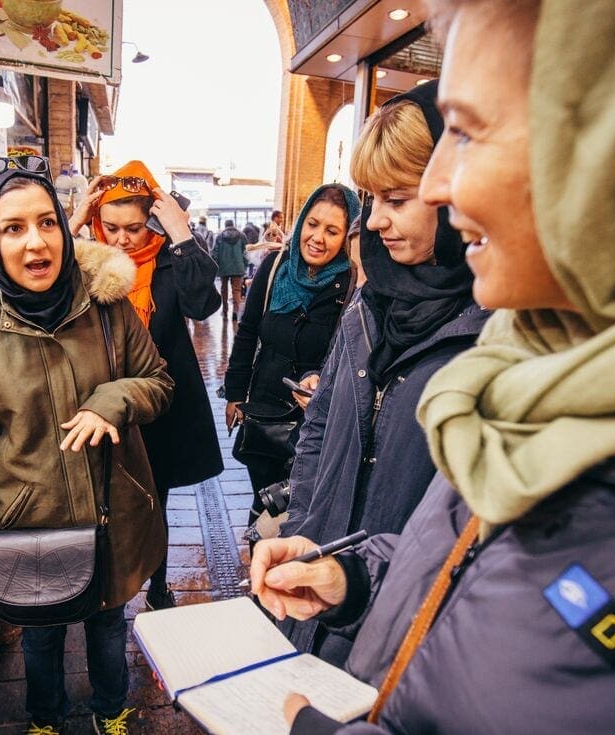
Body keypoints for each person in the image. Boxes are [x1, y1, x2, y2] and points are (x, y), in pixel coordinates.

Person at [252, 0, 615, 732]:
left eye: (470, 132)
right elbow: (465, 562)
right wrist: (353, 573)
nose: (442, 187)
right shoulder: (529, 369)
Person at [0, 165, 174, 735]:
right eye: (13, 228)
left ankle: (111, 710)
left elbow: (159, 383)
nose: (36, 240)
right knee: (41, 636)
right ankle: (44, 718)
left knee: (108, 623)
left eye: (47, 222)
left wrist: (112, 400)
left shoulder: (108, 305)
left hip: (112, 509)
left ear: (66, 232)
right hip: (29, 520)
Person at [278, 81, 487, 667]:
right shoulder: (370, 303)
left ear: (455, 194)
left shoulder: (495, 326)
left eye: (396, 200)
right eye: (371, 201)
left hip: (408, 621)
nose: (372, 223)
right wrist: (302, 529)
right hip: (325, 589)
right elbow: (317, 433)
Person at [69, 160, 224, 611]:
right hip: (98, 400)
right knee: (104, 500)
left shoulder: (171, 263)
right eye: (111, 226)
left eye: (134, 228)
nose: (121, 239)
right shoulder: (87, 262)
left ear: (152, 222)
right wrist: (74, 222)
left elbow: (202, 306)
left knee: (155, 501)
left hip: (161, 404)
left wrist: (181, 233)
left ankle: (157, 584)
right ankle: (106, 591)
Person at [223, 184, 360, 522]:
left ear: (346, 236)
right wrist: (236, 393)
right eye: (312, 225)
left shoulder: (352, 282)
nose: (317, 238)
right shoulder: (275, 267)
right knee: (264, 504)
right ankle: (260, 559)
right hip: (266, 408)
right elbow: (249, 331)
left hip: (316, 418)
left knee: (301, 509)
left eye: (332, 231)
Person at [212, 219, 248, 321]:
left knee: (224, 290)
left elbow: (215, 253)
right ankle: (236, 313)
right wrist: (244, 265)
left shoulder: (219, 237)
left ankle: (225, 311)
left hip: (223, 267)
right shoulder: (241, 236)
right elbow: (246, 252)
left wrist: (216, 265)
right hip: (238, 267)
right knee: (237, 290)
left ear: (225, 225)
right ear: (233, 225)